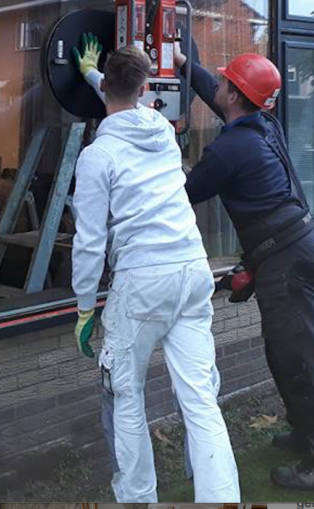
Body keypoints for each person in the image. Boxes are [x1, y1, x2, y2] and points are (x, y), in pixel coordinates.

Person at [175, 42, 314, 492]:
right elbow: (214, 94)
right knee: (284, 353)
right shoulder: (260, 122)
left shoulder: (231, 150)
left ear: (235, 96)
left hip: (287, 259)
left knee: (309, 361)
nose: (216, 86)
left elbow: (182, 191)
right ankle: (306, 431)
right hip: (293, 250)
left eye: (223, 82)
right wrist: (182, 66)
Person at [69, 38, 240, 502]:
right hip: (191, 269)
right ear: (146, 87)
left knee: (126, 397)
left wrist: (86, 309)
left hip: (143, 282)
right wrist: (96, 75)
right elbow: (120, 91)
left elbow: (89, 242)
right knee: (201, 400)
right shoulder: (163, 131)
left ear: (108, 87)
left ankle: (138, 498)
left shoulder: (97, 157)